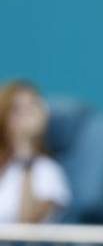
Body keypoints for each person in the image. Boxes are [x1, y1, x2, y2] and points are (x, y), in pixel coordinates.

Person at [0, 80, 71, 223]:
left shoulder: (48, 171)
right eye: (17, 110)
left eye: (32, 106)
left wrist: (25, 149)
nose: (26, 115)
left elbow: (27, 223)